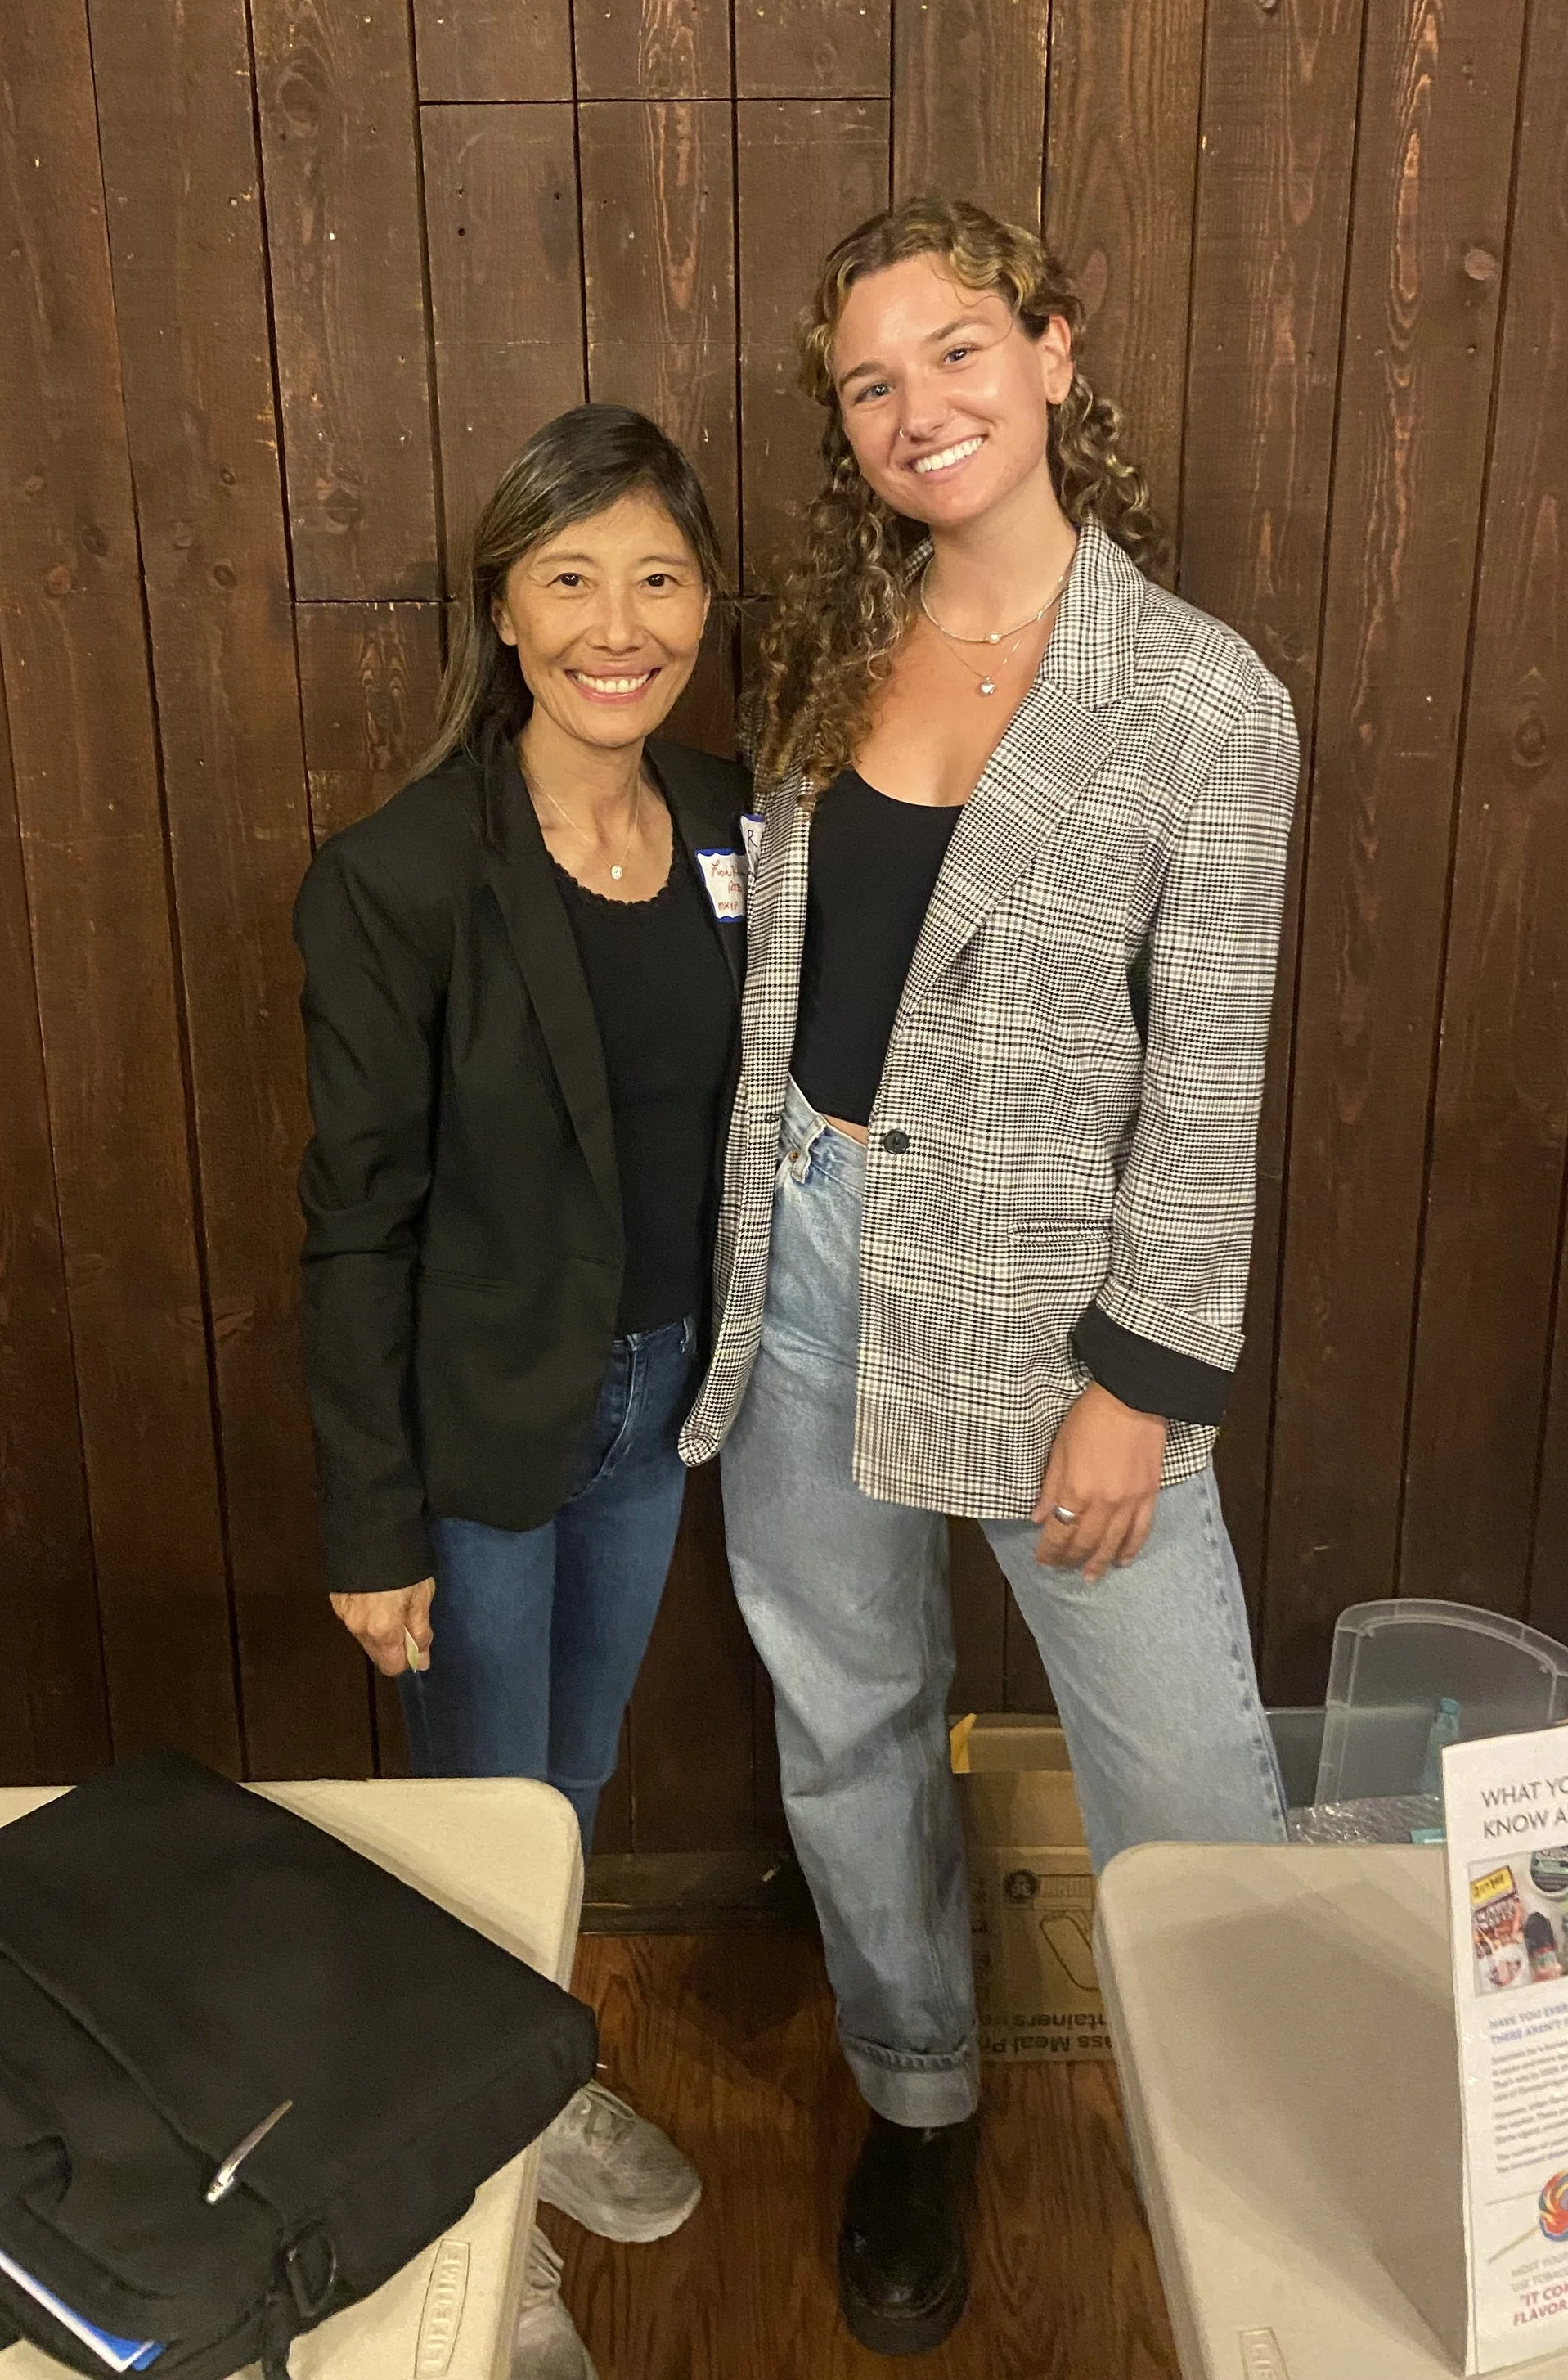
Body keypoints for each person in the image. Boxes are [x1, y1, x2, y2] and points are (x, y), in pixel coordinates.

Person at [681, 199, 1296, 2355]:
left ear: (1050, 350)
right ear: (841, 425)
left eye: (955, 350)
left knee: (1191, 1780)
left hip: (1055, 1324)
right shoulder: (820, 655)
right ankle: (918, 2097)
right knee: (845, 1719)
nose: (917, 406)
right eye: (867, 381)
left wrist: (1141, 1376)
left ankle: (1253, 2151)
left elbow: (1208, 1075)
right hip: (811, 1256)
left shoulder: (1199, 698)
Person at [294, 405, 749, 2380]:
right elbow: (352, 1226)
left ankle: (526, 2083)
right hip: (480, 1432)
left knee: (560, 1793)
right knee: (473, 1815)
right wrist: (370, 1523)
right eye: (570, 578)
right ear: (502, 608)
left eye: (655, 575)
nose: (615, 622)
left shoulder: (736, 825)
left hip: (660, 1409)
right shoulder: (398, 878)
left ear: (703, 601)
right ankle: (481, 2214)